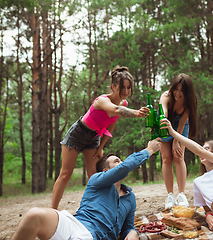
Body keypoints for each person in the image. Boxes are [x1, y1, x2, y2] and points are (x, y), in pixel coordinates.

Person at [11, 138, 161, 240]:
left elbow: (127, 228)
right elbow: (125, 167)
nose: (121, 163)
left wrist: (133, 232)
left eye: (121, 161)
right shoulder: (96, 180)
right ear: (105, 171)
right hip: (74, 224)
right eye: (117, 161)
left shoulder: (130, 198)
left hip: (92, 237)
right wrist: (148, 150)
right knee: (34, 215)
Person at [52, 65, 150, 209]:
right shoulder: (102, 100)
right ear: (113, 87)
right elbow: (116, 110)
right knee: (66, 174)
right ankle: (53, 210)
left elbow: (111, 125)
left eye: (129, 88)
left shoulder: (124, 103)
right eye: (122, 87)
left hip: (94, 138)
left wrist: (101, 147)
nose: (126, 91)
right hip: (78, 134)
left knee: (95, 176)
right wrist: (136, 113)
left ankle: (97, 207)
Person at [159, 73, 198, 209]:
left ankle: (181, 194)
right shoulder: (165, 96)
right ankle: (170, 195)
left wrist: (176, 140)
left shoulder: (189, 102)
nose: (178, 93)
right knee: (166, 158)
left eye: (182, 91)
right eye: (176, 89)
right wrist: (162, 121)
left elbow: (181, 124)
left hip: (181, 125)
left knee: (178, 156)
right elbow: (163, 111)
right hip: (164, 122)